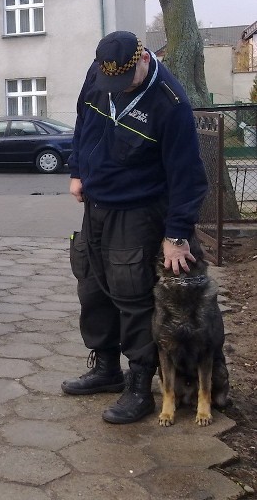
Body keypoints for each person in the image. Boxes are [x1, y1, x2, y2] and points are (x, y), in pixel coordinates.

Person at [61, 30, 208, 425]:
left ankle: (140, 384)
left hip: (138, 210)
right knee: (91, 286)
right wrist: (77, 171)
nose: (116, 89)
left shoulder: (169, 102)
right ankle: (105, 367)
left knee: (132, 297)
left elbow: (189, 176)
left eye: (124, 83)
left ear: (142, 60)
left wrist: (176, 235)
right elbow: (83, 121)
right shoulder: (101, 73)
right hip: (95, 204)